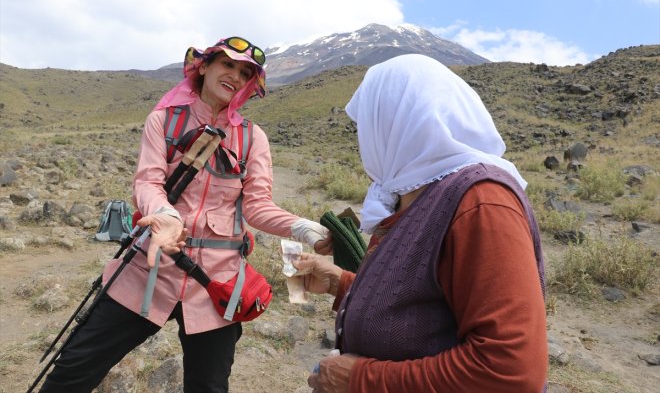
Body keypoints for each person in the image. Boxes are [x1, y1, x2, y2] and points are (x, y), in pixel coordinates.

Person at [39, 37, 328, 393]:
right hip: (150, 267)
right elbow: (147, 182)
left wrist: (302, 228)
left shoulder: (254, 139)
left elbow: (257, 206)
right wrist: (165, 216)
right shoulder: (163, 121)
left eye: (245, 73)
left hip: (217, 282)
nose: (235, 77)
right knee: (72, 371)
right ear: (204, 66)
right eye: (228, 65)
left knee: (208, 387)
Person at [293, 54, 548, 392]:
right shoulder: (418, 194)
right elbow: (419, 299)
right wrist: (340, 283)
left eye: (367, 125)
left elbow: (510, 372)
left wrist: (361, 380)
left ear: (396, 125)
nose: (363, 140)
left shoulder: (482, 204)